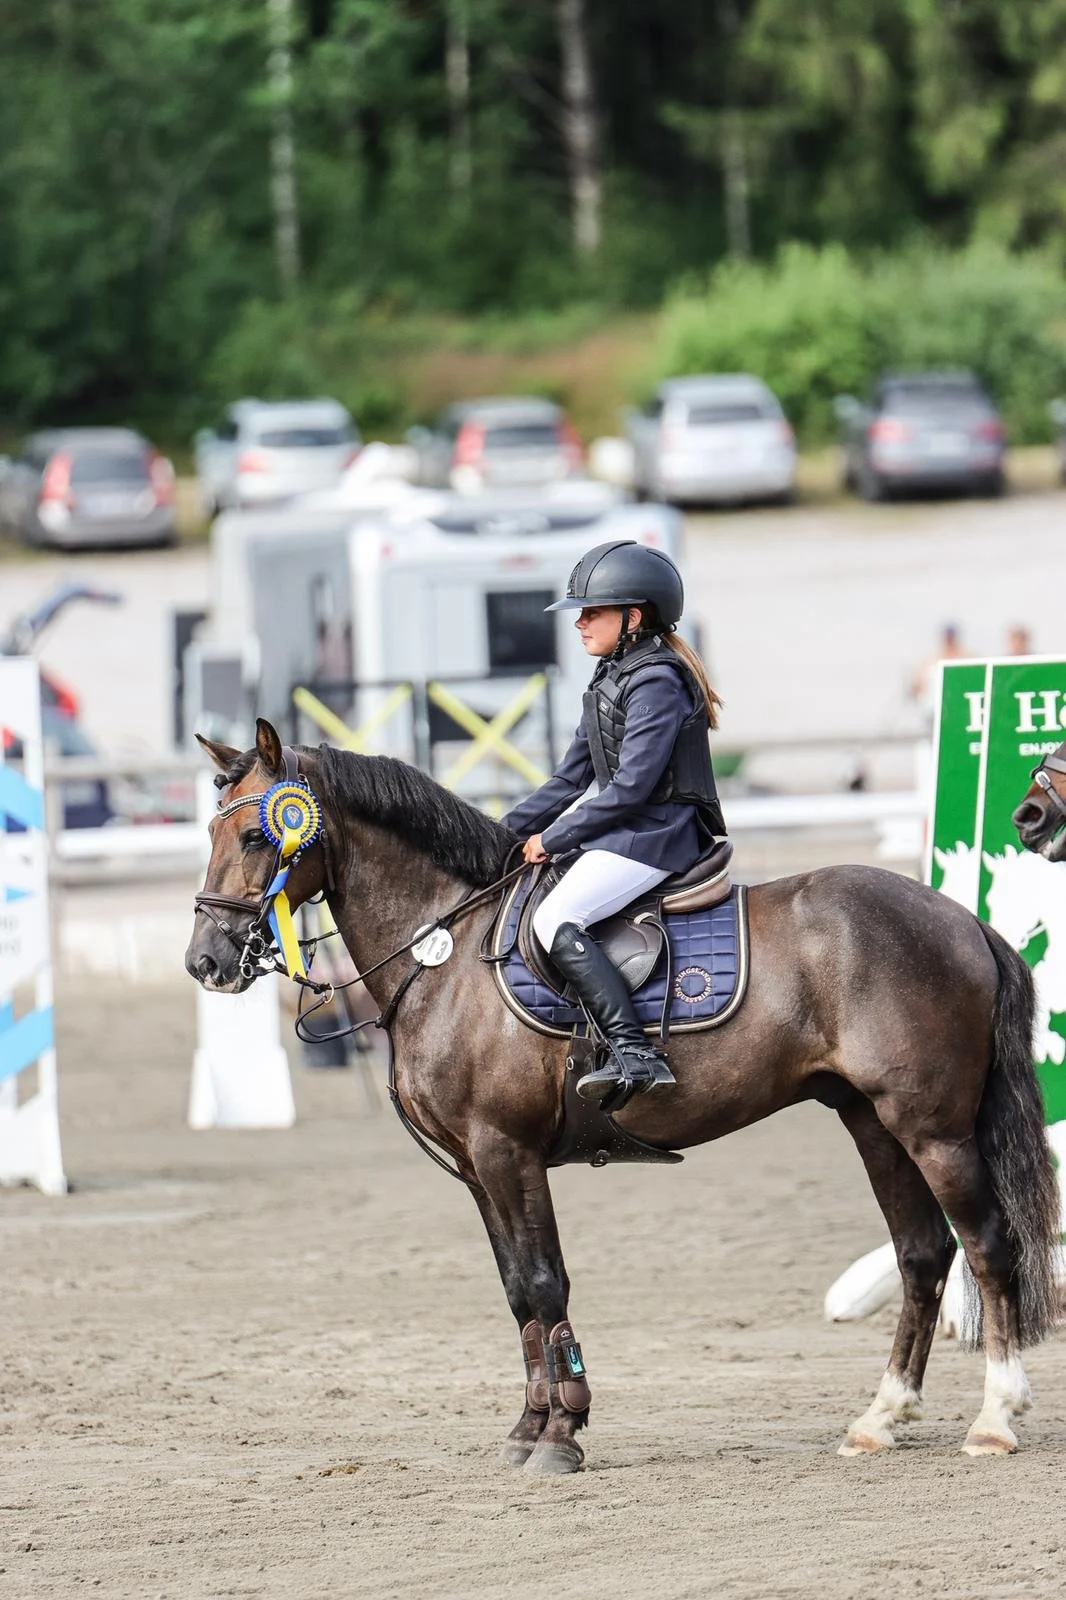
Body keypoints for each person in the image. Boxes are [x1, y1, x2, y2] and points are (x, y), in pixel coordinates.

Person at [501, 540, 726, 1107]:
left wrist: (552, 839)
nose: (578, 622)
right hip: (628, 830)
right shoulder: (609, 679)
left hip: (661, 835)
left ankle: (634, 1051)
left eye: (591, 612)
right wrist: (495, 833)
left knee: (557, 916)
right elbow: (566, 782)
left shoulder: (657, 681)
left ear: (633, 616)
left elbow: (631, 789)